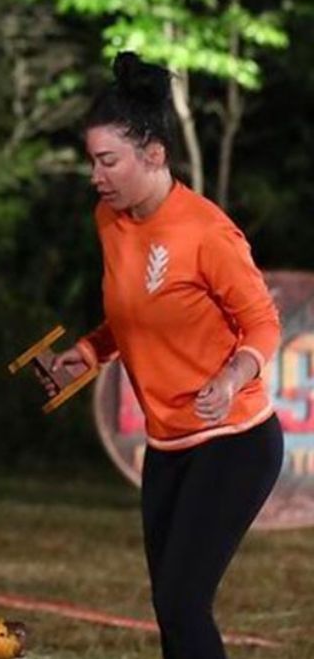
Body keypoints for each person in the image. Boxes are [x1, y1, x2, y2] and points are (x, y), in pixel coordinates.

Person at [49, 53, 283, 659]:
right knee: (172, 608)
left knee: (182, 601)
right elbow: (137, 311)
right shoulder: (110, 220)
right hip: (168, 446)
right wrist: (91, 350)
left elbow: (262, 323)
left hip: (234, 441)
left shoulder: (207, 232)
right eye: (92, 161)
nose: (96, 176)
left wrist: (231, 378)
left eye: (108, 161)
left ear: (153, 155)